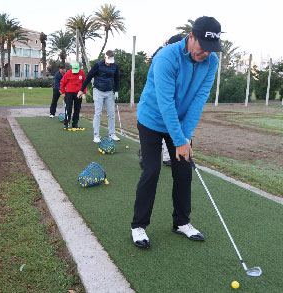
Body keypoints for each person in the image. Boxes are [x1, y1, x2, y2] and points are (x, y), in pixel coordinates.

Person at [131, 16, 222, 248]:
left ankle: (181, 222)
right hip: (152, 119)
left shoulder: (211, 63)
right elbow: (165, 103)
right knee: (151, 170)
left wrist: (185, 136)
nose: (205, 54)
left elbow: (199, 100)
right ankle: (139, 226)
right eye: (202, 48)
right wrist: (179, 140)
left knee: (184, 170)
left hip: (180, 124)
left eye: (211, 50)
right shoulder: (166, 57)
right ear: (191, 37)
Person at [78, 50, 120, 143]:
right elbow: (88, 77)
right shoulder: (98, 65)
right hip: (98, 91)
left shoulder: (115, 66)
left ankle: (112, 134)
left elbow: (117, 79)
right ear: (105, 58)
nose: (109, 64)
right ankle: (96, 135)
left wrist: (116, 91)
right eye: (108, 62)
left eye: (111, 62)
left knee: (112, 114)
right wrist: (81, 90)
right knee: (98, 113)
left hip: (109, 92)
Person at [154, 34, 183, 167]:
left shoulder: (181, 58)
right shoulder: (161, 55)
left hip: (172, 98)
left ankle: (167, 157)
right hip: (156, 99)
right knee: (156, 128)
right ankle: (146, 152)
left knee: (169, 125)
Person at [60, 62, 86, 130]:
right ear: (71, 68)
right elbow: (62, 83)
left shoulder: (82, 73)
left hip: (78, 93)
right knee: (68, 108)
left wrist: (83, 92)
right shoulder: (68, 73)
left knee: (77, 108)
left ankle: (75, 124)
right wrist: (63, 92)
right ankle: (67, 123)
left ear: (79, 68)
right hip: (69, 93)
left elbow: (84, 83)